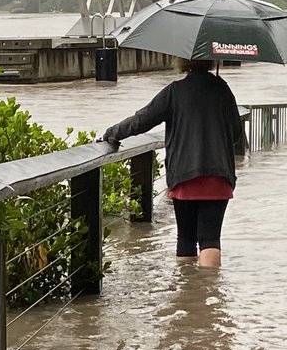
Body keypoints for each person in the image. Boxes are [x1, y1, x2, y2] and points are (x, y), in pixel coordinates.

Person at [102, 58, 245, 268]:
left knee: (185, 238)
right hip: (218, 176)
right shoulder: (223, 90)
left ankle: (187, 294)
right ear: (211, 61)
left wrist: (113, 133)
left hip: (184, 176)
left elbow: (143, 119)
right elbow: (235, 133)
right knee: (210, 239)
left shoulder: (175, 92)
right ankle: (210, 292)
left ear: (183, 61)